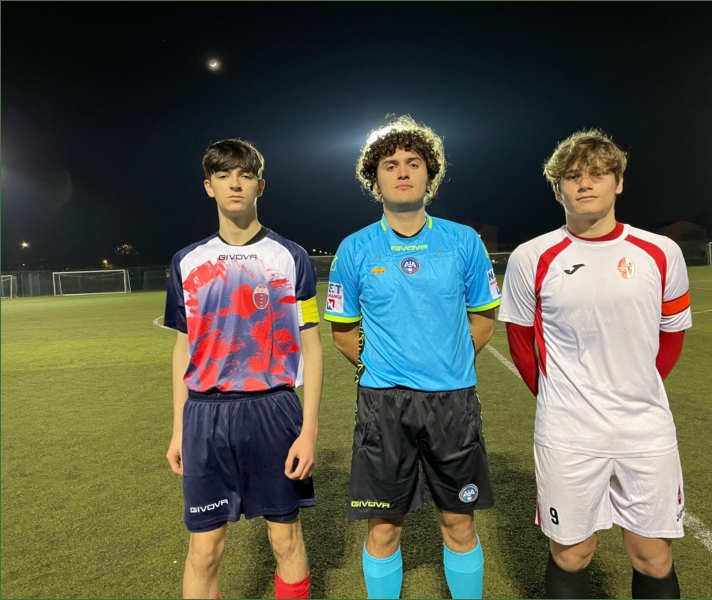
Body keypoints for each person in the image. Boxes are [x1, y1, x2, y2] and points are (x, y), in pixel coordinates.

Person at [498, 129, 691, 599]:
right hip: (569, 432)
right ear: (558, 189)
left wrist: (637, 387)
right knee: (572, 554)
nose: (585, 183)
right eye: (572, 176)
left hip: (645, 429)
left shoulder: (661, 252)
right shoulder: (531, 257)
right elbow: (521, 343)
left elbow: (672, 336)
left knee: (653, 556)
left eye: (598, 174)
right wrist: (559, 400)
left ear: (618, 182)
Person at [324, 116, 501, 599]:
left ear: (430, 175)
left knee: (458, 521)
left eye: (413, 163)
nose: (402, 172)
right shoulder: (355, 248)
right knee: (383, 528)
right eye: (390, 165)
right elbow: (343, 333)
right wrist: (386, 367)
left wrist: (445, 362)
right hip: (384, 405)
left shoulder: (463, 241)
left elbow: (484, 321)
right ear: (374, 180)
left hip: (452, 402)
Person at [163, 139, 322, 599]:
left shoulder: (291, 256)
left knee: (285, 539)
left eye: (245, 175)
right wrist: (178, 429)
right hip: (205, 415)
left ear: (260, 186)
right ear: (208, 186)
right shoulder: (187, 261)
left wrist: (309, 431)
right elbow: (183, 348)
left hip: (273, 410)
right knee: (204, 550)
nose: (235, 183)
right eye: (224, 175)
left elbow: (311, 347)